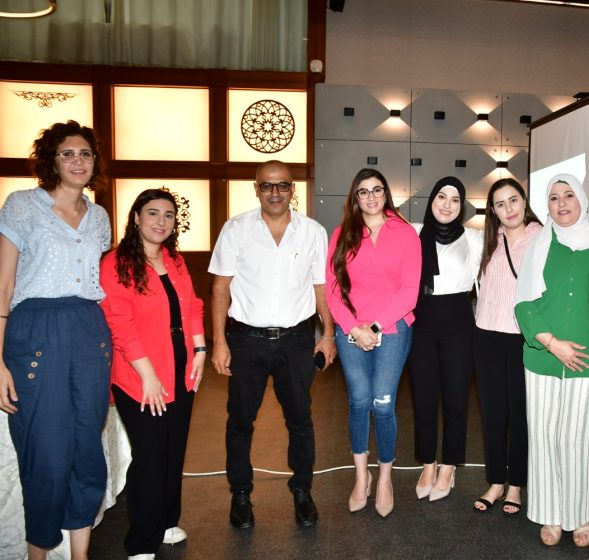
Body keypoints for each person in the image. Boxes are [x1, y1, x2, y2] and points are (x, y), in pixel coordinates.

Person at [0, 121, 112, 560]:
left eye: (85, 154)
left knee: (87, 447)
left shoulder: (99, 216)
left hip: (88, 328)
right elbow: (4, 284)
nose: (78, 161)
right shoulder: (22, 205)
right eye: (68, 153)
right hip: (35, 328)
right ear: (51, 160)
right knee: (44, 449)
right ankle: (39, 553)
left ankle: (80, 555)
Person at [209, 160, 336, 530]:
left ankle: (302, 490)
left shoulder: (312, 231)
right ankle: (241, 494)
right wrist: (219, 342)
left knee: (300, 419)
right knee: (240, 421)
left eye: (282, 185)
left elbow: (321, 288)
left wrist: (328, 335)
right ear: (256, 189)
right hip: (246, 341)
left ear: (293, 189)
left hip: (296, 341)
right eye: (267, 185)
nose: (275, 192)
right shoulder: (235, 229)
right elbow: (220, 288)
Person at [99, 189, 205, 560]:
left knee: (174, 450)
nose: (161, 221)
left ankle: (165, 522)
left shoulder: (174, 259)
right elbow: (120, 324)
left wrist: (200, 350)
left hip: (180, 366)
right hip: (138, 373)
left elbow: (193, 307)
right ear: (136, 218)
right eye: (153, 213)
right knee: (150, 454)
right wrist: (147, 375)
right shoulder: (116, 262)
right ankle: (142, 541)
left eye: (169, 215)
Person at [325, 168, 420, 517]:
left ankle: (385, 479)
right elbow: (332, 289)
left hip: (392, 329)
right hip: (350, 330)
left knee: (382, 403)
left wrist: (375, 327)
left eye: (377, 189)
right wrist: (354, 328)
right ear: (355, 197)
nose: (371, 197)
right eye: (363, 191)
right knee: (359, 401)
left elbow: (410, 291)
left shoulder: (405, 233)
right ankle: (361, 477)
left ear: (386, 193)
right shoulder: (342, 233)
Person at [515, 173, 589, 548]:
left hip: (588, 359)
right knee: (545, 436)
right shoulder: (539, 244)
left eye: (568, 195)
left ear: (582, 199)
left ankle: (581, 512)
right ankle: (549, 511)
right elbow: (523, 303)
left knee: (578, 439)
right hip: (542, 358)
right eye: (553, 197)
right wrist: (552, 344)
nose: (562, 203)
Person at [407, 176, 483, 503]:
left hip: (458, 322)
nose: (447, 204)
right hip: (420, 322)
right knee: (423, 398)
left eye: (455, 199)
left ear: (461, 205)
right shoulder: (413, 232)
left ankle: (449, 466)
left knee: (455, 398)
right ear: (432, 200)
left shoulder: (474, 238)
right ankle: (428, 464)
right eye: (442, 196)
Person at [472, 178, 541, 515]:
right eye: (500, 204)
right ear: (493, 211)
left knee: (519, 415)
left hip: (521, 337)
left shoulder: (541, 237)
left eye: (513, 200)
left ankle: (516, 485)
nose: (509, 209)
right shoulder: (489, 239)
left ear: (524, 201)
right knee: (493, 413)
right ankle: (496, 482)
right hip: (486, 335)